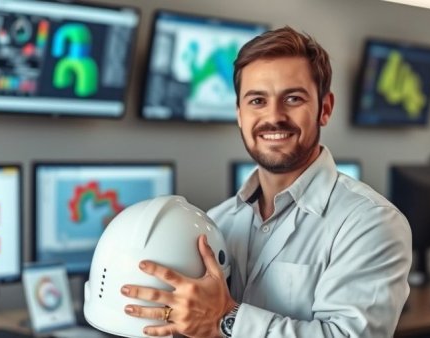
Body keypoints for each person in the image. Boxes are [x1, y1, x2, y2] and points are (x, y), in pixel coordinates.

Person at [120, 26, 412, 338]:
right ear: (239, 114)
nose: (274, 116)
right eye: (257, 101)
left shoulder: (371, 222)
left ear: (324, 109)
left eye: (293, 98)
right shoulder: (217, 222)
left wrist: (226, 319)